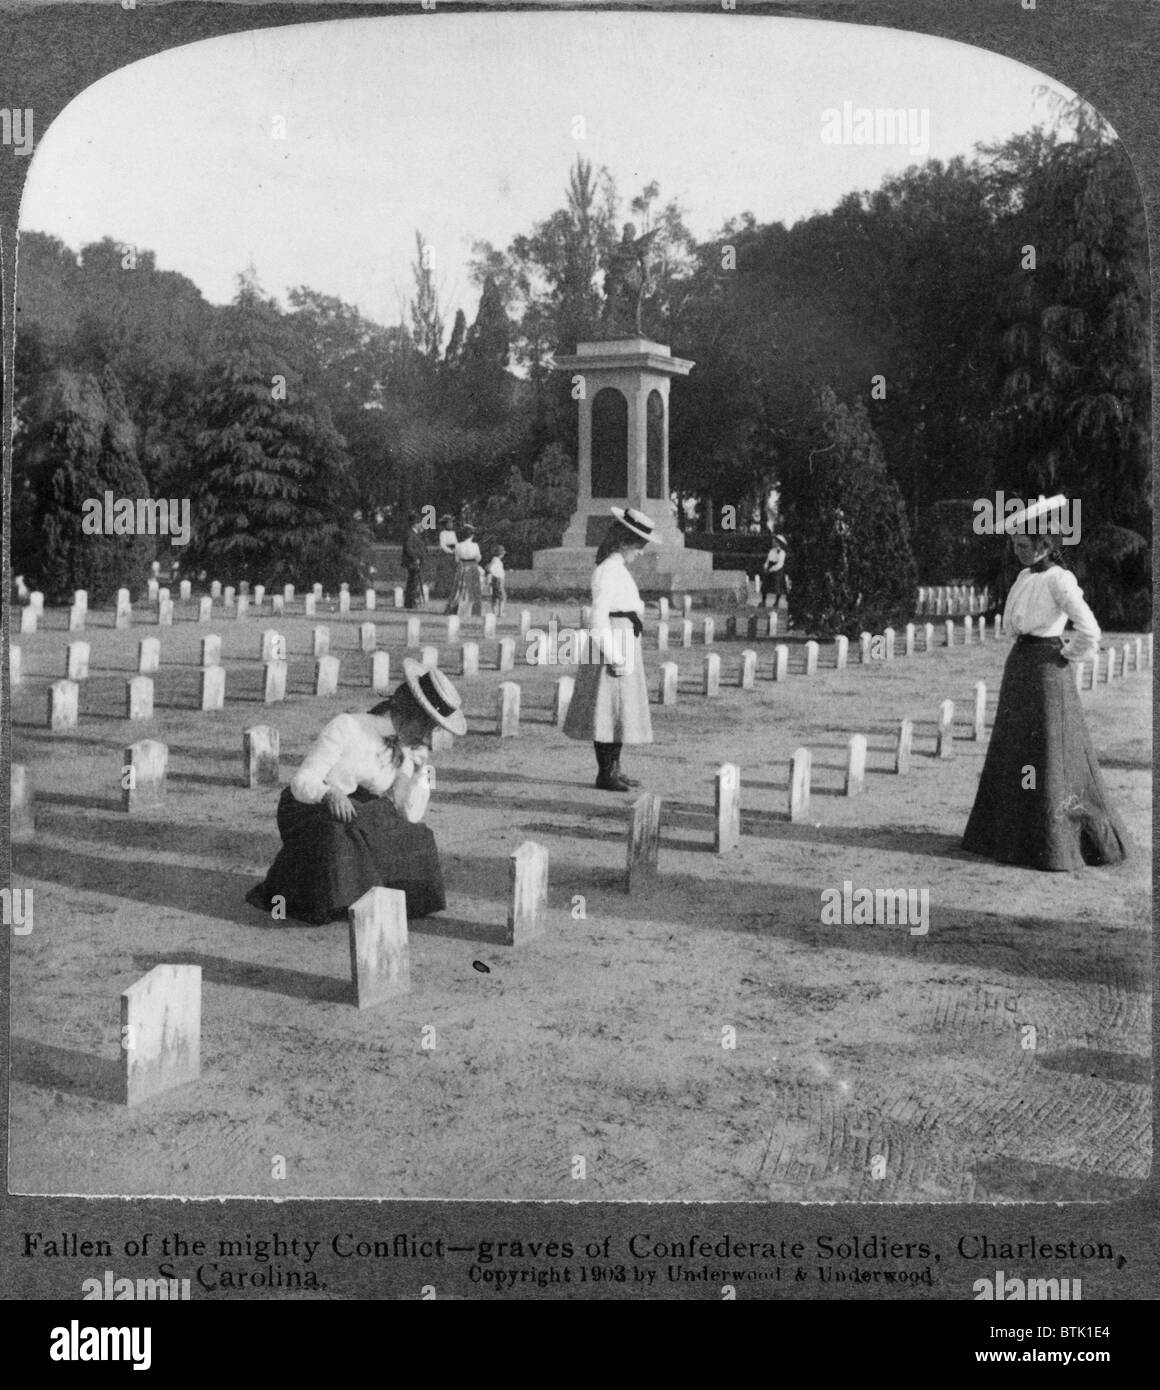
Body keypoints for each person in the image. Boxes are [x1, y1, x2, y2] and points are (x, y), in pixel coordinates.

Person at [962, 496, 1129, 872]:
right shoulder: (1025, 576)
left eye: (1026, 546)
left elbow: (1090, 629)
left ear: (1045, 545)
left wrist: (1066, 655)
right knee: (1017, 751)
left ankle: (1048, 843)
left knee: (1045, 755)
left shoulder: (1059, 579)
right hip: (1020, 666)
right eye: (1016, 547)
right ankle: (1014, 837)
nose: (1020, 553)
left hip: (1046, 670)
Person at [246, 661, 467, 924]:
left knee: (417, 836)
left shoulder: (408, 751)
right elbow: (301, 781)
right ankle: (340, 899)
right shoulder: (348, 727)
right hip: (309, 808)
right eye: (427, 727)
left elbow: (409, 816)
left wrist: (420, 772)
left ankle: (374, 897)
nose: (428, 738)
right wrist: (329, 795)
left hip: (361, 813)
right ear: (410, 715)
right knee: (340, 835)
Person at [562, 506, 654, 791]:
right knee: (605, 709)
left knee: (619, 709)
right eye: (638, 547)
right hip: (610, 644)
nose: (640, 553)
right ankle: (605, 773)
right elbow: (598, 619)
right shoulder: (606, 571)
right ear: (624, 542)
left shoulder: (618, 570)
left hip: (624, 640)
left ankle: (616, 768)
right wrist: (614, 656)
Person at [446, 523, 483, 617]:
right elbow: (478, 558)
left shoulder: (458, 546)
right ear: (472, 535)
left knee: (460, 588)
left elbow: (456, 559)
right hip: (472, 567)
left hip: (462, 566)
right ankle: (473, 610)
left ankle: (455, 607)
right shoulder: (475, 545)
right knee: (472, 588)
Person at [401, 512, 427, 609]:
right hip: (412, 561)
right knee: (413, 582)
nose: (421, 525)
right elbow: (408, 548)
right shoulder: (410, 533)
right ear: (415, 523)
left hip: (416, 561)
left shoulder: (416, 533)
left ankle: (411, 601)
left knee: (413, 581)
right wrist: (415, 558)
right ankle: (410, 602)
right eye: (419, 523)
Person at [433, 514, 459, 600]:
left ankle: (450, 591)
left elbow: (456, 543)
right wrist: (450, 551)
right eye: (449, 523)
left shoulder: (453, 533)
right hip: (446, 555)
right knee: (444, 573)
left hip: (453, 554)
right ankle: (442, 592)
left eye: (451, 523)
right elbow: (443, 545)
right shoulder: (442, 533)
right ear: (445, 524)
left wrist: (456, 550)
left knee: (452, 573)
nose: (451, 524)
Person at [762, 533, 788, 609]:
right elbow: (767, 560)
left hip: (777, 570)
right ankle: (763, 601)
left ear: (778, 543)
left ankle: (776, 602)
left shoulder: (782, 552)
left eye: (775, 541)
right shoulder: (771, 551)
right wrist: (765, 567)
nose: (773, 542)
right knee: (765, 586)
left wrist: (771, 569)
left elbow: (780, 564)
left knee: (778, 586)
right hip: (770, 568)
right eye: (773, 541)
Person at [486, 546, 507, 618]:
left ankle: (494, 612)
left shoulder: (495, 560)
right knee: (502, 596)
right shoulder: (496, 560)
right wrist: (496, 575)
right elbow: (491, 569)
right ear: (500, 554)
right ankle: (500, 613)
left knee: (495, 596)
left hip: (496, 579)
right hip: (498, 579)